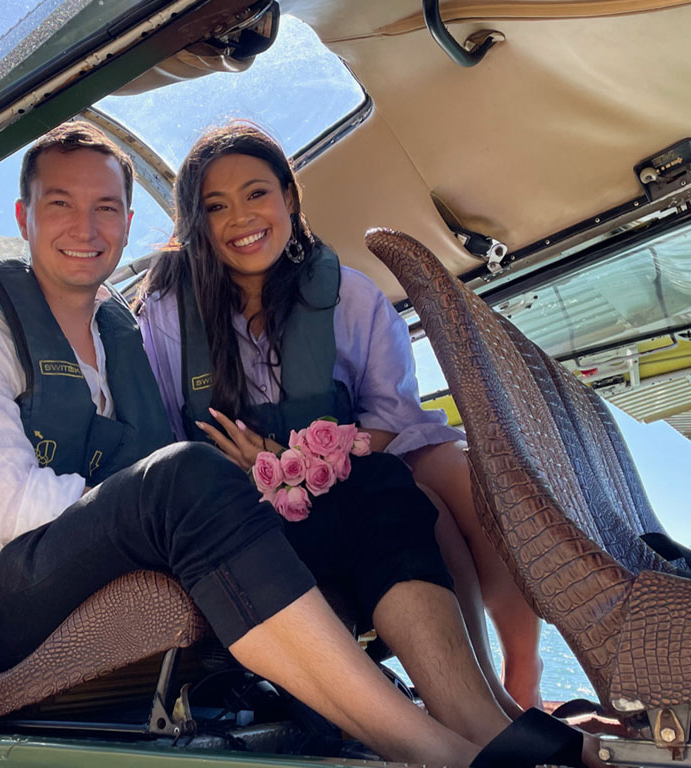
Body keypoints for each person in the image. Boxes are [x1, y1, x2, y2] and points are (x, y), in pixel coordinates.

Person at [0, 121, 587, 766]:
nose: (86, 227)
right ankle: (431, 750)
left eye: (106, 207)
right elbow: (4, 503)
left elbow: (169, 496)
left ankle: (480, 721)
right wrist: (168, 502)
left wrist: (264, 479)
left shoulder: (121, 347)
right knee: (187, 475)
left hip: (114, 554)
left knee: (372, 485)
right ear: (23, 219)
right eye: (60, 205)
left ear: (129, 224)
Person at [136, 122, 548, 713]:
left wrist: (302, 461)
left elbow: (392, 416)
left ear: (288, 197)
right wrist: (258, 470)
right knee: (419, 508)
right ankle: (472, 701)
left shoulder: (351, 297)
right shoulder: (167, 311)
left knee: (456, 474)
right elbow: (168, 437)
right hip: (239, 499)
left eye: (257, 193)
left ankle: (516, 682)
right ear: (196, 224)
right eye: (215, 206)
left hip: (351, 470)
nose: (241, 218)